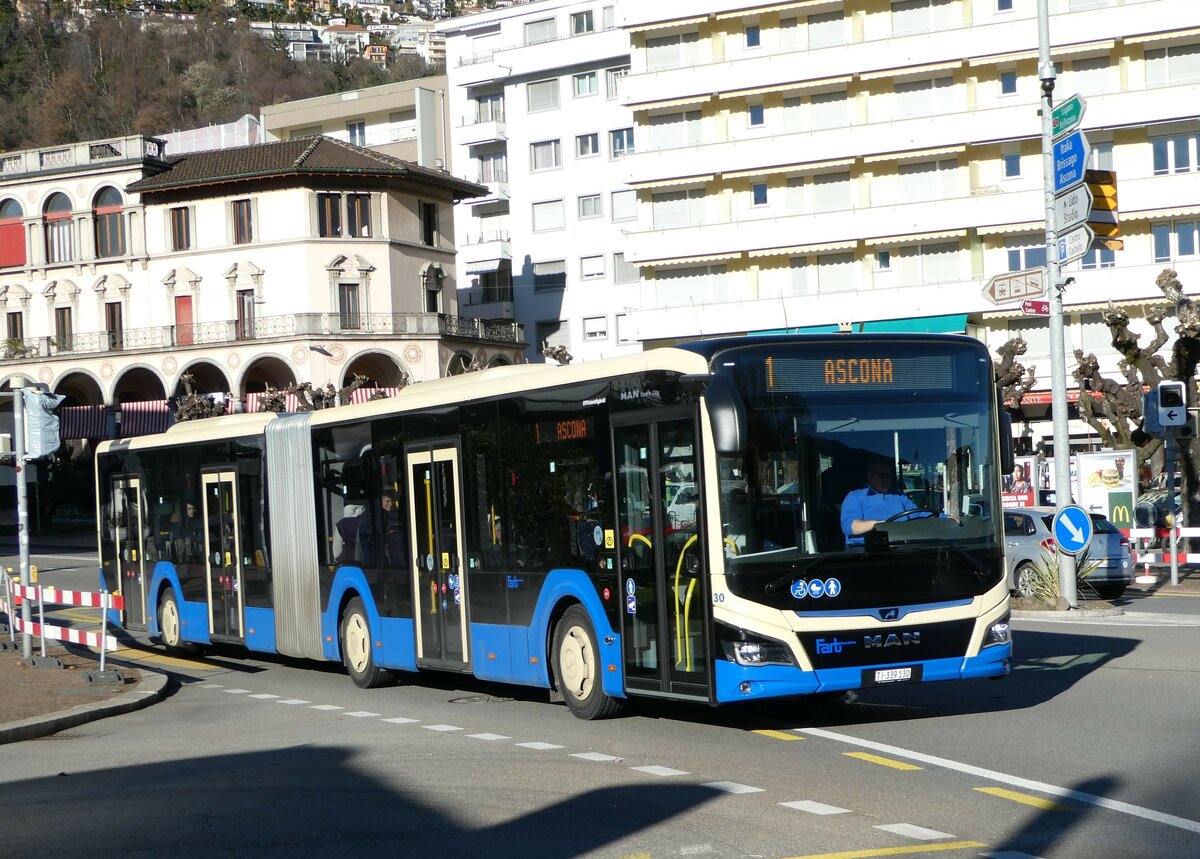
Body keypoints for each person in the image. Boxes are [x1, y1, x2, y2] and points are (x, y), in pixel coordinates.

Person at [841, 459, 919, 546]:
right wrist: (881, 525)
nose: (887, 479)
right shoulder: (855, 497)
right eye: (882, 475)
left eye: (889, 475)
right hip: (867, 550)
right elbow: (849, 526)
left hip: (904, 547)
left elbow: (920, 514)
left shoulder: (899, 496)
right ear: (869, 474)